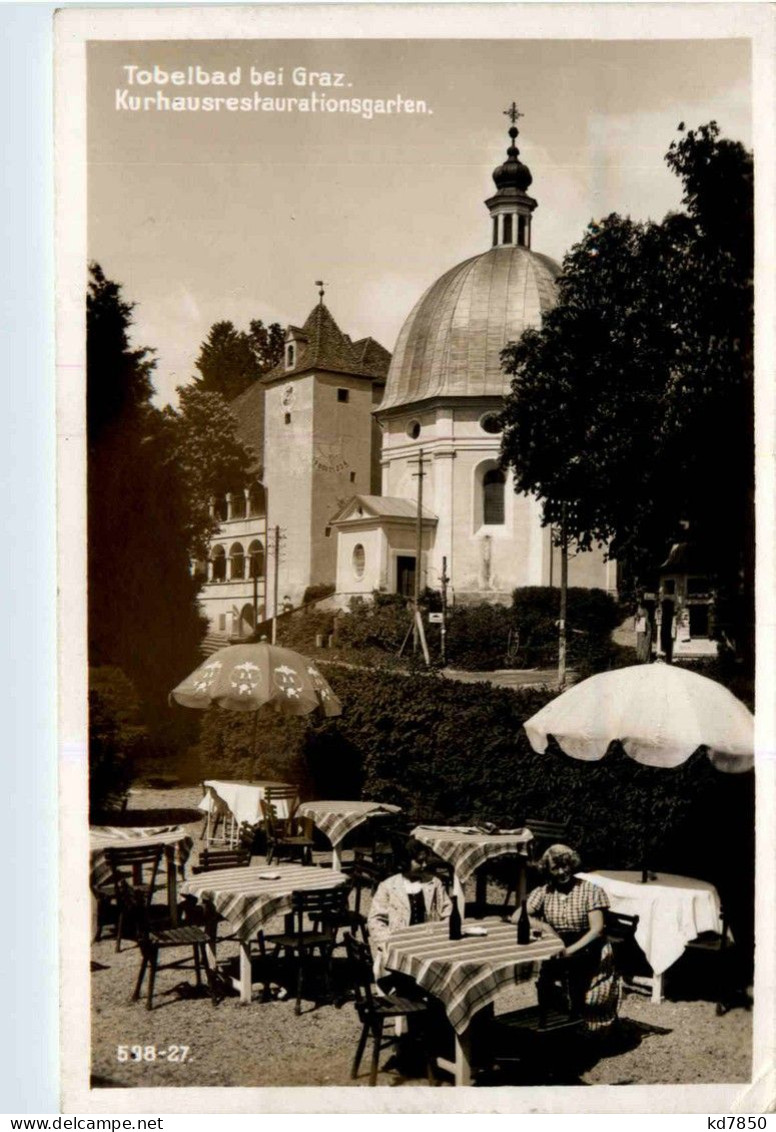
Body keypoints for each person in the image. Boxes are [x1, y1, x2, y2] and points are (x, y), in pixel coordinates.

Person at [517, 843, 619, 1033]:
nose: (562, 872)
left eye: (566, 866)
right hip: (558, 942)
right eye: (556, 868)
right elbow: (517, 916)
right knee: (545, 975)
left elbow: (597, 930)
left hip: (586, 943)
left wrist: (569, 951)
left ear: (572, 865)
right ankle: (548, 1023)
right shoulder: (544, 891)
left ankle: (577, 1023)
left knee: (575, 975)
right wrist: (544, 926)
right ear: (548, 870)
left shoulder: (590, 890)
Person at [367, 837, 452, 978]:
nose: (424, 865)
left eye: (426, 861)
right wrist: (388, 943)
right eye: (419, 861)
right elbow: (375, 920)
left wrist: (441, 935)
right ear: (405, 861)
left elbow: (447, 911)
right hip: (398, 947)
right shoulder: (388, 886)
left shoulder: (434, 883)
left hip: (428, 944)